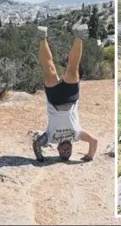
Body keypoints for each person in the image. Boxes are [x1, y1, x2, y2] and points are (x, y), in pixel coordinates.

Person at [32, 24, 98, 162]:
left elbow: (37, 143)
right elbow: (94, 141)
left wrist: (39, 157)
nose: (66, 150)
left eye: (64, 152)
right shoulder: (76, 135)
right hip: (71, 98)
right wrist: (90, 156)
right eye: (69, 152)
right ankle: (79, 35)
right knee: (73, 66)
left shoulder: (50, 138)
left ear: (57, 149)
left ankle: (42, 38)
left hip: (54, 99)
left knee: (48, 67)